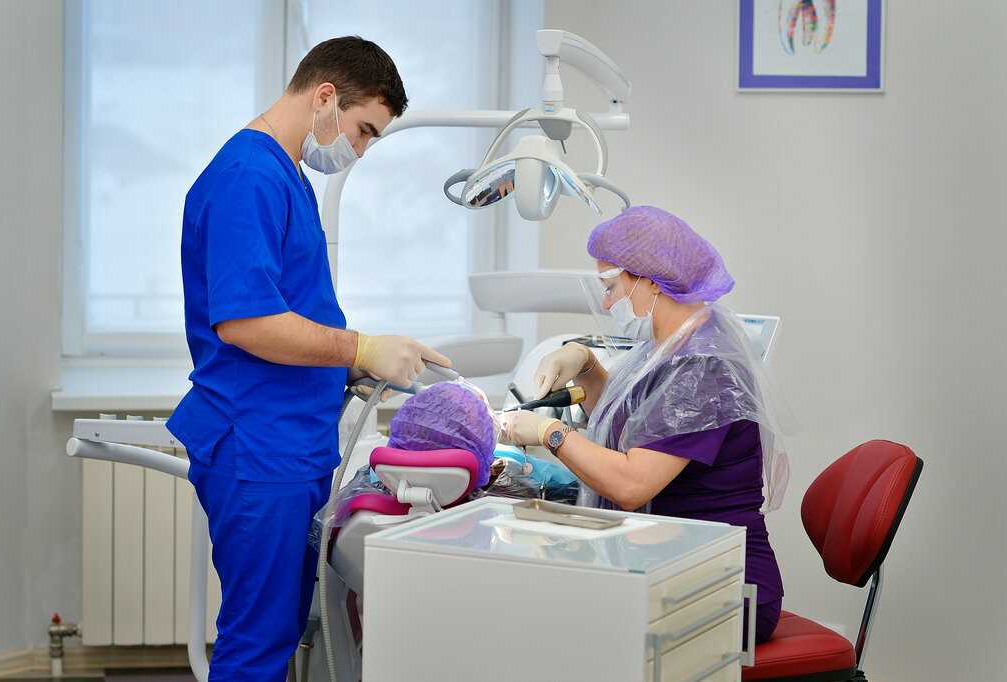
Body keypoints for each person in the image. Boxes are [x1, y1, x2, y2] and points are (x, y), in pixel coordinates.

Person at [166, 37, 451, 681]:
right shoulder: (248, 177)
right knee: (257, 641)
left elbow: (292, 309)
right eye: (364, 130)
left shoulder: (287, 175)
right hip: (258, 444)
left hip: (288, 442)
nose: (362, 150)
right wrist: (361, 347)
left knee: (281, 628)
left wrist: (356, 365)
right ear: (326, 97)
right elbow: (247, 322)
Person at [501, 206, 788, 644]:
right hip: (673, 557)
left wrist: (549, 433)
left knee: (553, 624)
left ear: (652, 280)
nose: (607, 303)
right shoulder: (668, 345)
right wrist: (587, 366)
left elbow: (632, 483)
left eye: (611, 287)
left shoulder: (703, 366)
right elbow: (635, 426)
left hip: (725, 584)